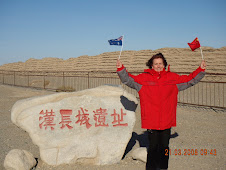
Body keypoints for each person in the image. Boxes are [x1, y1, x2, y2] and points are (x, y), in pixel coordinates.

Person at [116, 53, 206, 170]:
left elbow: (190, 80)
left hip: (167, 121)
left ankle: (164, 167)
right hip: (151, 121)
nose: (158, 66)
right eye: (156, 64)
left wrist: (201, 69)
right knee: (153, 148)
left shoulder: (172, 78)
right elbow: (128, 79)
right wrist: (121, 68)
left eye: (160, 63)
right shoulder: (143, 79)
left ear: (164, 65)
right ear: (151, 66)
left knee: (165, 147)